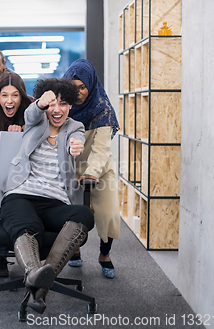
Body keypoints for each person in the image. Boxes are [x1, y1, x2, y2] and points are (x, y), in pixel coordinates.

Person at [0, 78, 95, 314]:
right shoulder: (36, 120)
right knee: (27, 224)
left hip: (55, 201)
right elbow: (31, 114)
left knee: (84, 214)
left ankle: (38, 285)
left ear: (70, 105)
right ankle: (37, 281)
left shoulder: (75, 127)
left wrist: (76, 147)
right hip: (21, 192)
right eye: (53, 104)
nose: (57, 110)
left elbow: (78, 140)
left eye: (63, 104)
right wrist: (40, 104)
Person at [62, 59, 121, 279]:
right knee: (72, 214)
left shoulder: (101, 107)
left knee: (108, 214)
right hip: (71, 168)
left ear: (91, 85)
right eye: (72, 86)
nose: (77, 93)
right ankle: (75, 249)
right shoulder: (63, 107)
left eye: (82, 87)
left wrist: (92, 173)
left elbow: (102, 148)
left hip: (100, 167)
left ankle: (104, 255)